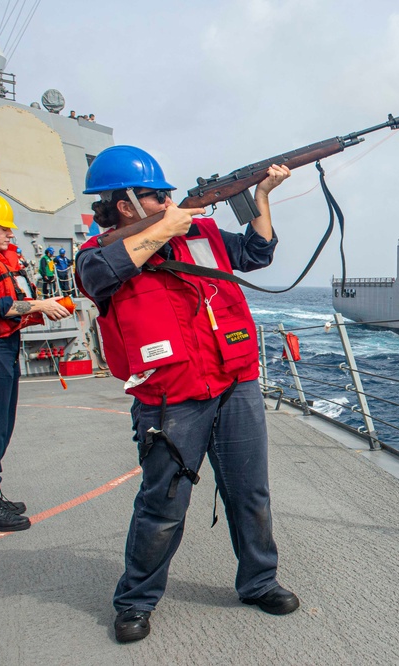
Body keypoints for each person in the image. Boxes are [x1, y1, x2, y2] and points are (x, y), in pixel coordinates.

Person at [75, 145, 295, 644]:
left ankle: (259, 581)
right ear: (126, 204)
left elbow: (259, 254)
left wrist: (262, 196)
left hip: (234, 382)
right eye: (158, 196)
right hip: (170, 398)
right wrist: (164, 230)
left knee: (250, 492)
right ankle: (135, 601)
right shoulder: (97, 253)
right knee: (163, 504)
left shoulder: (205, 233)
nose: (170, 201)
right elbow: (98, 278)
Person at [0, 192, 71, 531]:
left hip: (3, 347)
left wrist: (41, 305)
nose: (9, 235)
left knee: (1, 426)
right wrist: (40, 306)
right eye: (3, 228)